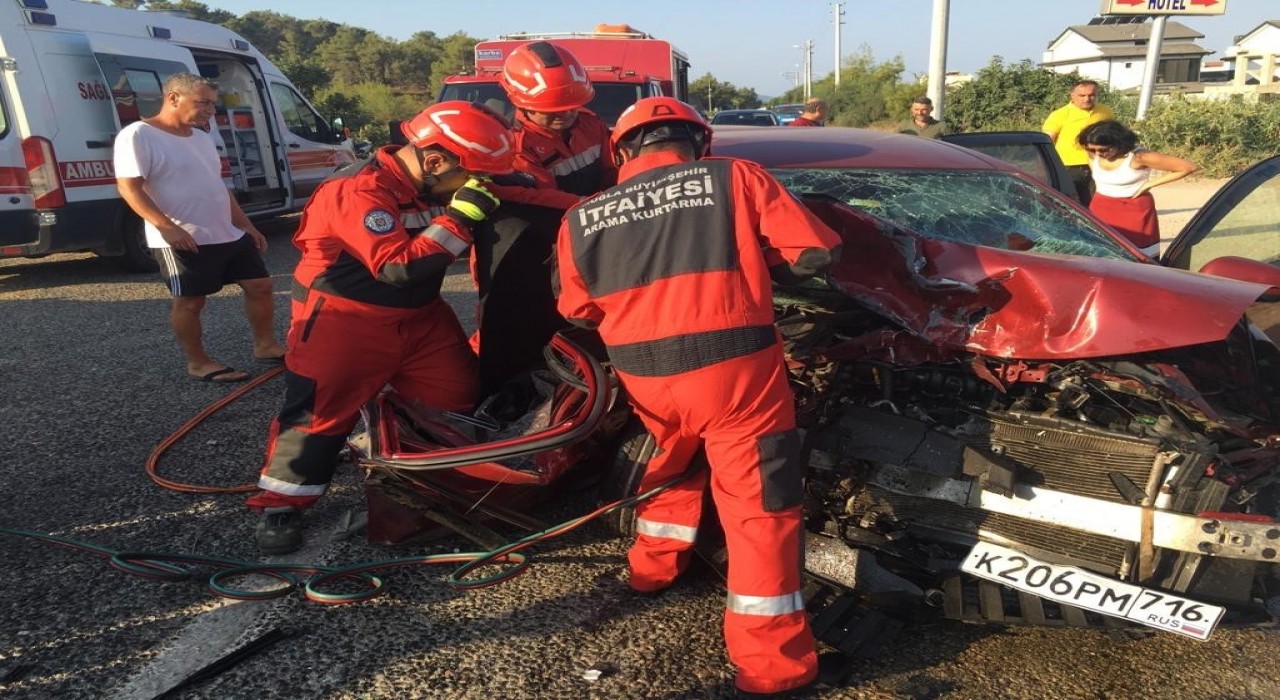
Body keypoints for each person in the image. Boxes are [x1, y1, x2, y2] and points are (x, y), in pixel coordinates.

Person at [556, 97, 843, 700]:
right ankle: (774, 667)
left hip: (647, 378)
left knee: (674, 458)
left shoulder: (582, 216)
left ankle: (651, 569)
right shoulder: (735, 176)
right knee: (759, 509)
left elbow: (575, 307)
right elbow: (816, 252)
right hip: (735, 374)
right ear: (698, 143)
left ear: (622, 152)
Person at [247, 101, 515, 554]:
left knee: (454, 397)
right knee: (318, 416)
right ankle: (282, 501)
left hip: (421, 319)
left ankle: (425, 478)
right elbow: (397, 268)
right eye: (470, 177)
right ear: (434, 161)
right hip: (346, 320)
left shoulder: (428, 184)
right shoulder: (357, 192)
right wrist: (461, 217)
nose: (477, 187)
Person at [114, 72, 286, 383]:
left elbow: (218, 186)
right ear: (174, 98)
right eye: (203, 102)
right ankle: (197, 361)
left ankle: (265, 345)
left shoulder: (202, 137)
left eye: (213, 104)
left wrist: (247, 226)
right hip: (182, 237)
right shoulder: (138, 135)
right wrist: (166, 228)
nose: (210, 110)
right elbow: (129, 188)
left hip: (226, 233)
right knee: (191, 301)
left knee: (260, 286)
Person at [492, 40, 616, 209]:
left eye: (572, 106)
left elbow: (613, 169)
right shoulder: (517, 147)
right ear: (522, 105)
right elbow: (546, 197)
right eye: (553, 110)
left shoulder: (590, 123)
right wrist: (599, 205)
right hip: (559, 221)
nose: (566, 114)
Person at [1077, 119, 1197, 257]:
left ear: (1118, 143)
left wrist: (1148, 184)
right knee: (1099, 250)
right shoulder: (1094, 154)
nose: (1097, 153)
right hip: (1101, 206)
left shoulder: (1138, 157)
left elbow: (1188, 167)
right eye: (1092, 149)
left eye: (1103, 150)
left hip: (1133, 209)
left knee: (1136, 254)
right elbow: (1097, 169)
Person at [1042, 79, 1114, 206]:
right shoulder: (1060, 114)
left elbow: (1112, 136)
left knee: (1096, 202)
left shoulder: (1105, 112)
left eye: (1091, 95)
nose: (1087, 99)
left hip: (1098, 163)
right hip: (1068, 167)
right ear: (1072, 96)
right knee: (1069, 204)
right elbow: (1047, 142)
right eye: (1082, 95)